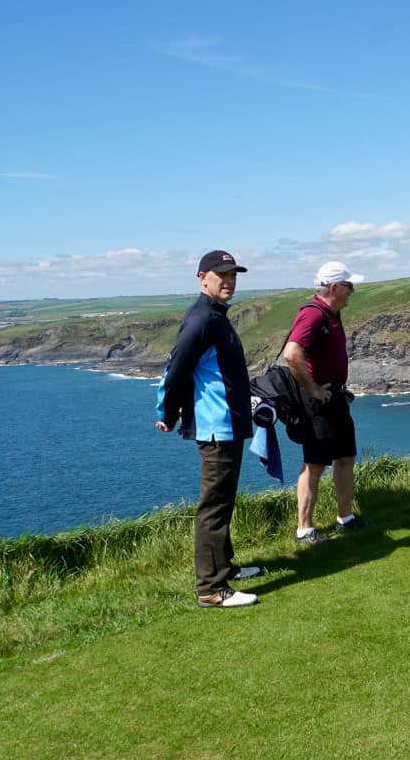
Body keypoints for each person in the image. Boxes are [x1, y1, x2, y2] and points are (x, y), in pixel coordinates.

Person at [155, 250, 261, 608]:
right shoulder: (202, 319)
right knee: (213, 507)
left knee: (224, 501)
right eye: (222, 275)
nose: (229, 281)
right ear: (203, 278)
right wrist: (168, 413)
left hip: (228, 422)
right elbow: (176, 369)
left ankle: (226, 568)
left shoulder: (216, 316)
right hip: (215, 427)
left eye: (233, 275)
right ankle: (211, 589)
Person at [283, 261, 368, 543]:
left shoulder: (331, 313)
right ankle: (304, 528)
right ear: (334, 287)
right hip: (318, 402)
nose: (351, 292)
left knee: (346, 456)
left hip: (335, 398)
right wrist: (313, 389)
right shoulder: (313, 315)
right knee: (315, 462)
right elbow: (292, 354)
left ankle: (345, 517)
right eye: (348, 286)